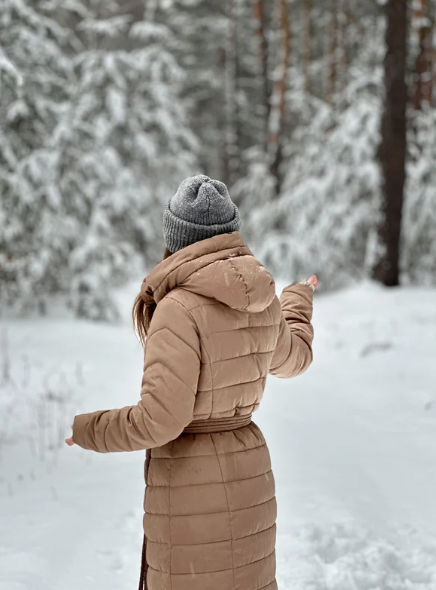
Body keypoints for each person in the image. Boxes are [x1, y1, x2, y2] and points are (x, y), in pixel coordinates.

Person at [65, 174, 316, 590]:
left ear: (176, 238)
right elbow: (296, 359)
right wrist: (298, 299)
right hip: (249, 475)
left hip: (190, 485)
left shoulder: (178, 308)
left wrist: (86, 429)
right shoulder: (263, 298)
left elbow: (160, 421)